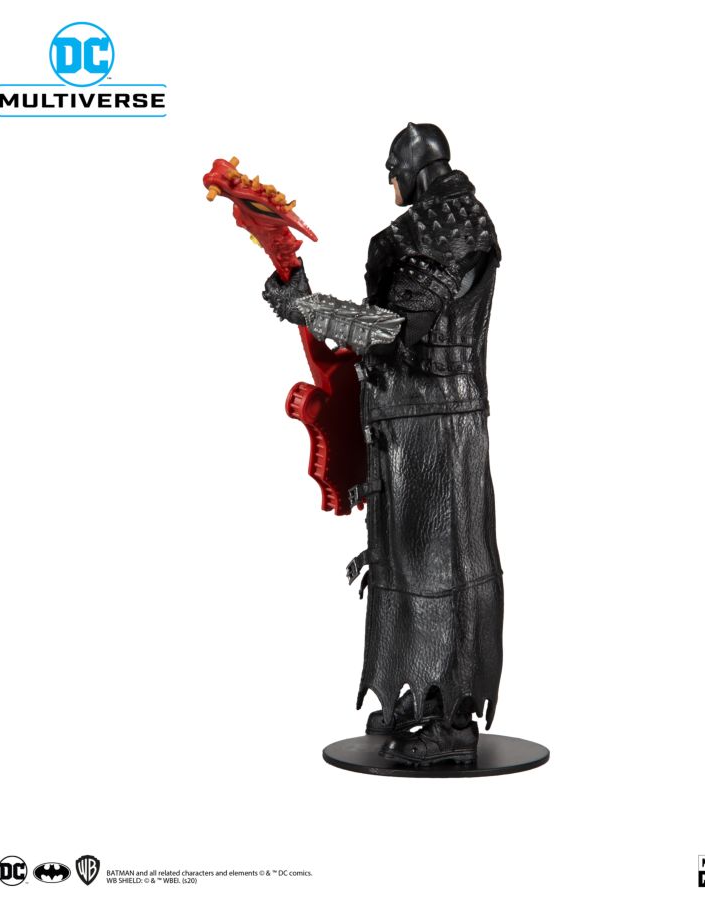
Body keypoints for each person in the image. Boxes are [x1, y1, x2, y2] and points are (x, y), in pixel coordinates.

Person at [264, 123, 503, 766]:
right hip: (405, 419)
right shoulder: (434, 224)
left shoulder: (451, 226)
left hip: (440, 422)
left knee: (442, 565)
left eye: (392, 169)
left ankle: (452, 724)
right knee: (402, 558)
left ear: (412, 169)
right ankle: (418, 696)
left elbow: (394, 330)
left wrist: (307, 306)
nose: (389, 181)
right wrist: (304, 299)